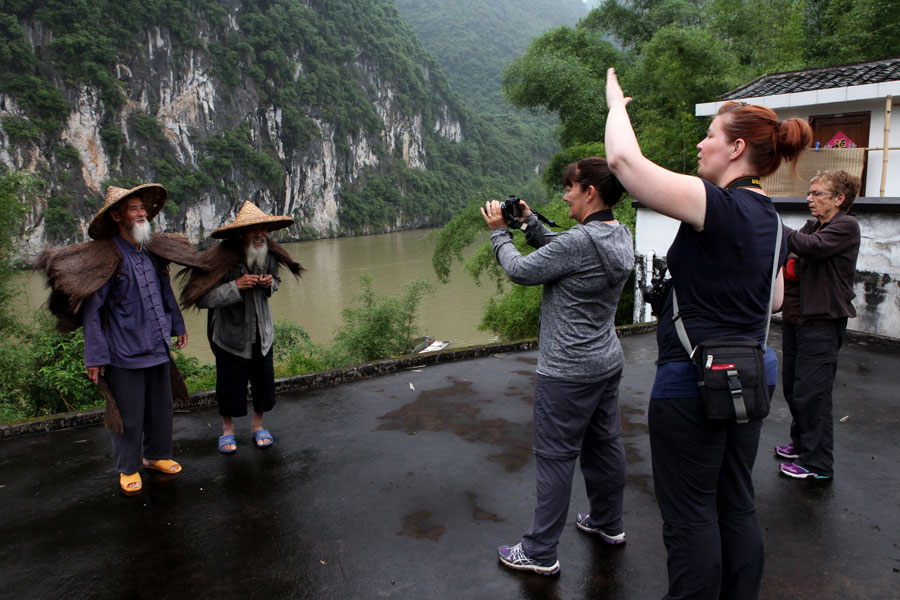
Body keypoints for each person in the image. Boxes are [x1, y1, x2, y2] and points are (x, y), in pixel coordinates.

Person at [604, 67, 811, 599]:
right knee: (736, 500)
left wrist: (616, 106)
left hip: (695, 380)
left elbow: (625, 163)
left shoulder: (720, 205)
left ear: (736, 147)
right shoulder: (773, 220)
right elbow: (775, 301)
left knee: (690, 514)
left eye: (711, 136)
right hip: (752, 370)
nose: (701, 144)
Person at [482, 157, 635, 576]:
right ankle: (608, 522)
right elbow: (565, 254)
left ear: (590, 192)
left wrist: (500, 234)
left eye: (570, 187)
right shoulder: (619, 234)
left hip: (567, 371)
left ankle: (540, 551)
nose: (564, 194)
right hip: (605, 360)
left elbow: (520, 270)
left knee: (555, 456)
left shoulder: (579, 243)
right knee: (605, 444)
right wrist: (531, 225)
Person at [38, 183, 204, 496]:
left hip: (157, 346)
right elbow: (93, 312)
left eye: (143, 208)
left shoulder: (152, 253)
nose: (141, 213)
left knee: (161, 407)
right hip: (125, 351)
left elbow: (166, 293)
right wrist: (95, 356)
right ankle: (128, 468)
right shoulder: (108, 258)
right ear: (117, 216)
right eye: (134, 209)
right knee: (128, 413)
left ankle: (155, 455)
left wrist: (177, 326)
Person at [179, 201, 302, 454]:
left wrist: (269, 283)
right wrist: (236, 286)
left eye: (263, 229)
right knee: (229, 385)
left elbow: (276, 283)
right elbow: (201, 298)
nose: (260, 235)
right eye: (253, 230)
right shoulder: (220, 259)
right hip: (230, 336)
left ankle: (258, 426)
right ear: (240, 233)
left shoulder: (268, 255)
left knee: (263, 382)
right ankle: (227, 430)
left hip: (262, 333)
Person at [776, 170, 861, 480]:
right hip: (797, 320)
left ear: (839, 199)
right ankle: (801, 444)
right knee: (794, 388)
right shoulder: (814, 226)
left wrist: (770, 224)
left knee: (813, 394)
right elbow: (793, 248)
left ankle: (818, 463)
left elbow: (810, 247)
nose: (809, 199)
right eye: (809, 193)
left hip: (822, 324)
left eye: (817, 194)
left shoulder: (845, 227)